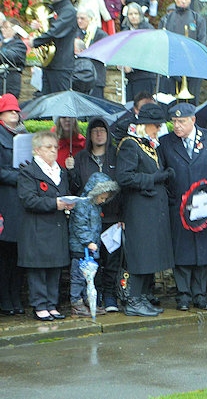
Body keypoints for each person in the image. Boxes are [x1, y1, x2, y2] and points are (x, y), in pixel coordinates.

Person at [158, 103, 207, 311]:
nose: (177, 126)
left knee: (203, 249)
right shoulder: (165, 143)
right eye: (174, 122)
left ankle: (200, 294)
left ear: (193, 120)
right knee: (182, 251)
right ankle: (183, 295)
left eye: (181, 122)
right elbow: (162, 172)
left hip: (204, 204)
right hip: (178, 206)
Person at [115, 103, 174, 317]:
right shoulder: (130, 145)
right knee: (140, 256)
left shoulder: (150, 145)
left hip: (153, 209)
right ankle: (132, 300)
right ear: (144, 125)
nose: (158, 129)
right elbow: (124, 177)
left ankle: (141, 297)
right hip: (139, 209)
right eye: (155, 125)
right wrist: (153, 179)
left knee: (150, 255)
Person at [18, 130, 75, 321]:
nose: (53, 151)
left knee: (55, 268)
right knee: (39, 269)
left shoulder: (61, 172)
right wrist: (54, 204)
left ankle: (52, 304)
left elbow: (65, 192)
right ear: (36, 150)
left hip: (57, 227)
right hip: (37, 229)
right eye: (48, 147)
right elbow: (28, 200)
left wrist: (68, 202)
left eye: (55, 147)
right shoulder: (28, 172)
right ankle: (39, 305)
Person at [70, 117, 122, 312]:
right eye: (94, 130)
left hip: (112, 217)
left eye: (103, 130)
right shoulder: (81, 158)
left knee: (112, 259)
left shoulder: (116, 155)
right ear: (89, 135)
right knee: (93, 260)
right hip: (90, 220)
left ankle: (110, 296)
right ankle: (95, 295)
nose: (99, 133)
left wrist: (123, 215)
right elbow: (75, 189)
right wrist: (71, 171)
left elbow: (123, 187)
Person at [68, 172, 120, 317]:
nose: (103, 201)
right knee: (78, 277)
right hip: (81, 249)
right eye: (102, 197)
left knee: (88, 278)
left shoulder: (95, 206)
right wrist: (88, 242)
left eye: (105, 198)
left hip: (90, 249)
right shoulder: (83, 205)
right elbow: (80, 226)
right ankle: (76, 302)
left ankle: (87, 301)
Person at [159, 0, 207, 105]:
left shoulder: (198, 19)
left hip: (193, 68)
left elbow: (202, 44)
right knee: (171, 102)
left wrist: (192, 66)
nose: (184, 1)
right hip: (172, 68)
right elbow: (162, 45)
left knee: (192, 103)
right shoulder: (166, 20)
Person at [0, 94, 26, 316]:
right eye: (10, 111)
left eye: (17, 111)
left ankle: (16, 295)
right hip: (5, 201)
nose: (15, 114)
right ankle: (5, 298)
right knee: (5, 254)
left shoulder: (23, 134)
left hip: (21, 203)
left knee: (19, 254)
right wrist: (19, 176)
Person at [28, 0, 77, 94]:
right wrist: (38, 26)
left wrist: (35, 42)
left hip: (61, 67)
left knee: (60, 104)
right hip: (50, 65)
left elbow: (55, 31)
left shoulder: (69, 11)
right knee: (46, 104)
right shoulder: (56, 9)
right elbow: (49, 29)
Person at [120, 3, 156, 101]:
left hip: (145, 76)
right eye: (130, 14)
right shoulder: (125, 31)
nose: (133, 16)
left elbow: (148, 52)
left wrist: (132, 67)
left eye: (136, 13)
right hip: (129, 78)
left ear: (141, 15)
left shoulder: (148, 30)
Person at [76, 8, 108, 98]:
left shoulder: (100, 35)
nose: (79, 21)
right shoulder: (76, 34)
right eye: (77, 18)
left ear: (91, 19)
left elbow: (103, 55)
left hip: (96, 78)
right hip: (79, 79)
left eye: (82, 18)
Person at [0, 18, 27, 98]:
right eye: (2, 27)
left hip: (9, 84)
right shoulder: (3, 44)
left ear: (15, 30)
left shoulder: (19, 44)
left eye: (6, 27)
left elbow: (11, 56)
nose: (3, 30)